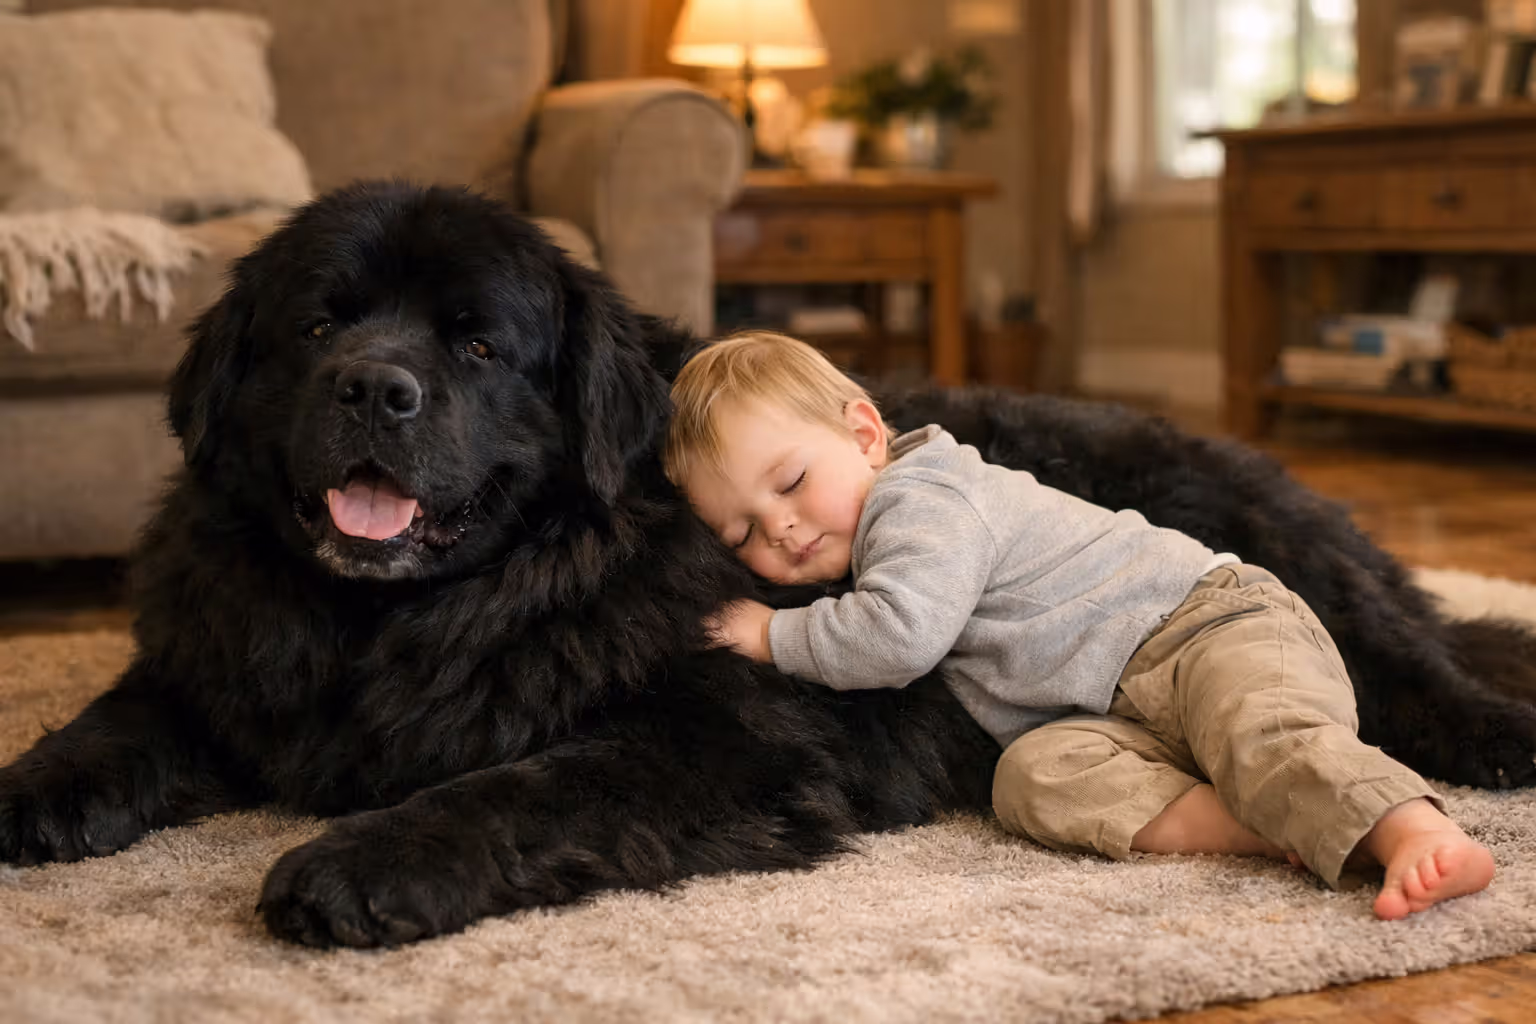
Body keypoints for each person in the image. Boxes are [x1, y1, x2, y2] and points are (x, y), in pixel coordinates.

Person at [663, 330, 1495, 921]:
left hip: (1209, 628)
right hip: (1121, 709)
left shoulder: (923, 499)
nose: (778, 527)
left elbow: (897, 638)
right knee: (1032, 778)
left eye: (792, 481)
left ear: (866, 433)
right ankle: (1259, 818)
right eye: (739, 532)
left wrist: (770, 635)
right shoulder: (879, 519)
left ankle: (1411, 826)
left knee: (1266, 730)